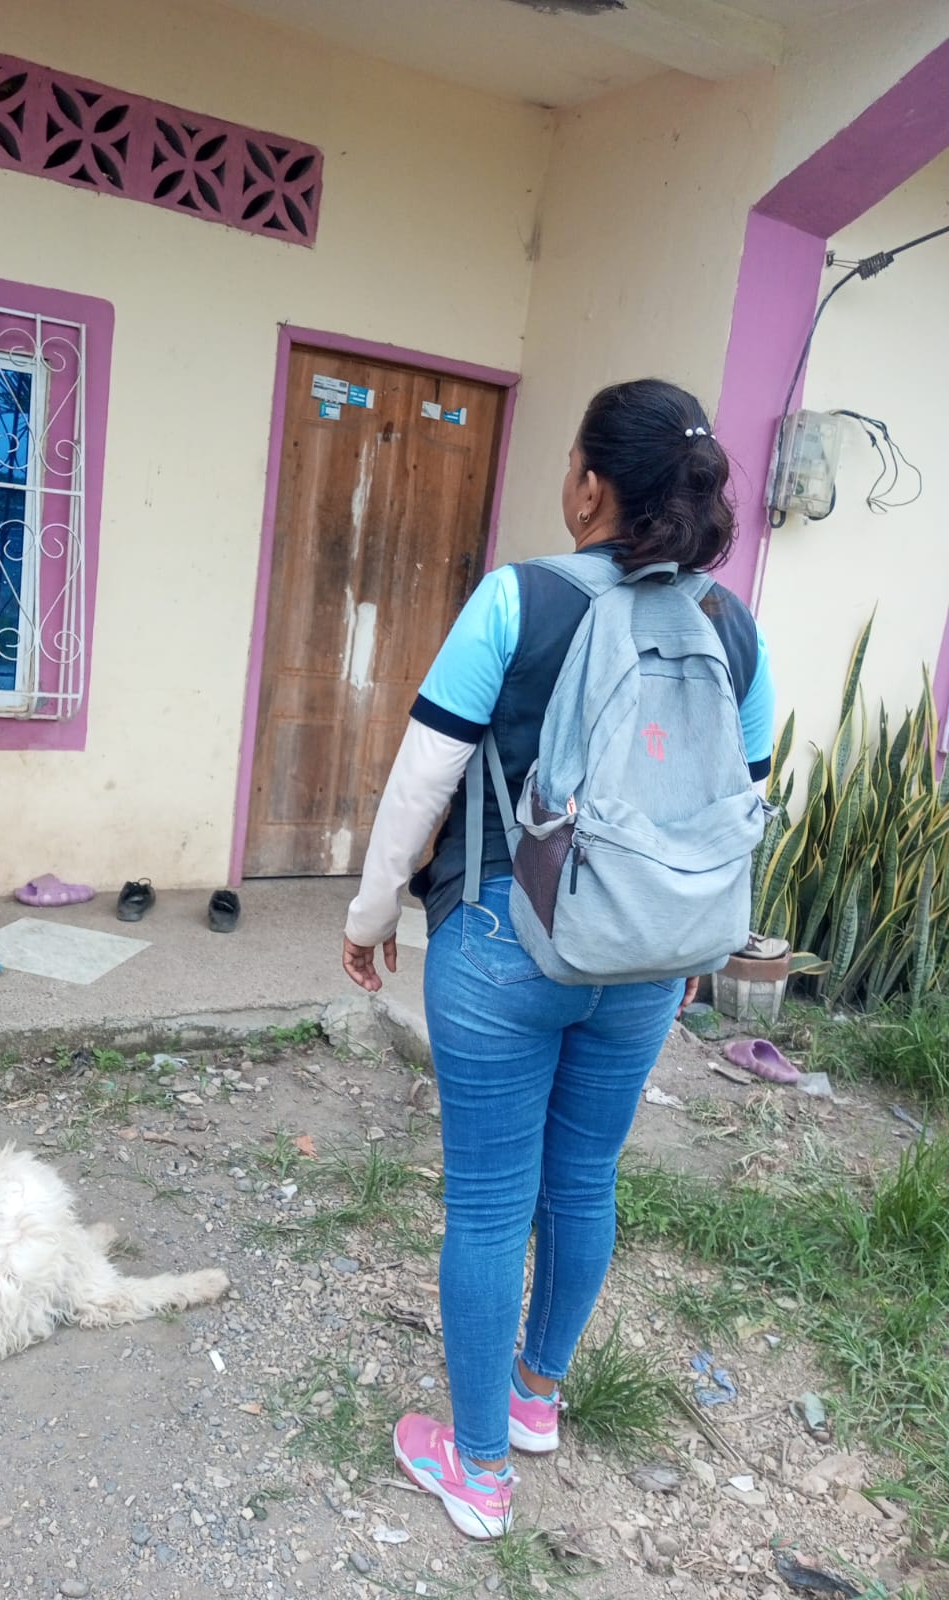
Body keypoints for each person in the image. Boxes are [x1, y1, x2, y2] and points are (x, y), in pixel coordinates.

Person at [340, 378, 775, 1540]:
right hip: (646, 958)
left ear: (589, 486)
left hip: (502, 943)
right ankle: (535, 1398)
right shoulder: (732, 627)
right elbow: (741, 801)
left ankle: (477, 1468)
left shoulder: (516, 599)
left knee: (489, 1206)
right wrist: (690, 938)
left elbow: (423, 782)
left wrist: (373, 914)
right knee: (584, 1179)